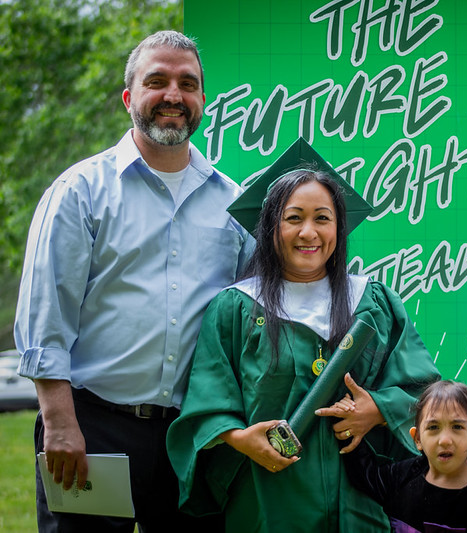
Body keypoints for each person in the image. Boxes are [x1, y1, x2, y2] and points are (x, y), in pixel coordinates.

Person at [13, 30, 253, 532]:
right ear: (129, 98)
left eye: (188, 84)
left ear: (203, 101)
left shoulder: (233, 205)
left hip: (191, 436)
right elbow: (45, 311)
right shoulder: (80, 191)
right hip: (92, 427)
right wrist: (59, 422)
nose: (173, 95)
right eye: (157, 81)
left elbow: (250, 317)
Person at [166, 137, 441, 532]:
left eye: (322, 218)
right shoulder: (236, 308)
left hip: (360, 507)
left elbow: (423, 391)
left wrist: (378, 410)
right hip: (269, 502)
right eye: (293, 218)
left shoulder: (373, 303)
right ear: (270, 227)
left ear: (339, 227)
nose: (308, 232)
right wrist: (240, 438)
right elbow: (208, 403)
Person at [332, 379, 467, 533]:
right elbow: (364, 475)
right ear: (417, 438)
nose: (445, 440)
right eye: (433, 427)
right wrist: (346, 421)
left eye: (457, 427)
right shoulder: (405, 476)